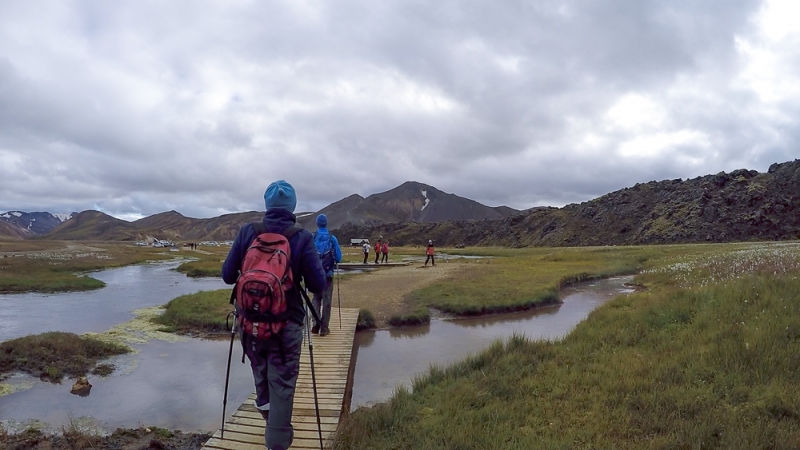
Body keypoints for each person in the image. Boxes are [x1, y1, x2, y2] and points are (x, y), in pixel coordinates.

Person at [222, 180, 326, 450]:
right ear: (292, 207)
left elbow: (226, 276)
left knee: (261, 377)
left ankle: (272, 425)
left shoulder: (249, 231)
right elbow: (317, 285)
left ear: (267, 205)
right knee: (282, 384)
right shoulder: (301, 237)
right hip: (286, 326)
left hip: (249, 323)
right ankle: (276, 441)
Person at [311, 213, 342, 337]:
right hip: (328, 274)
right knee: (327, 300)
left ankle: (315, 322)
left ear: (317, 223)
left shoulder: (312, 237)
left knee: (316, 298)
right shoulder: (332, 238)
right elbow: (339, 258)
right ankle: (324, 328)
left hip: (315, 275)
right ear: (326, 223)